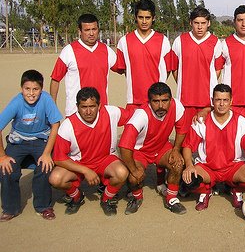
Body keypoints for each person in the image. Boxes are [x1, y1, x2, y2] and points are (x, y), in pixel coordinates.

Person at [49, 87, 130, 216]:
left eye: (92, 106)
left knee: (121, 172)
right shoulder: (67, 125)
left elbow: (134, 119)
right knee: (56, 179)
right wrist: (86, 171)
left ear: (100, 105)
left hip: (105, 159)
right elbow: (58, 158)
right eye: (83, 107)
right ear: (77, 106)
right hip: (79, 163)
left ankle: (106, 199)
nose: (88, 111)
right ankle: (77, 197)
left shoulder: (111, 113)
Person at [181, 84, 245, 211]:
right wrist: (189, 165)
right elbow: (187, 146)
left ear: (231, 101)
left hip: (233, 167)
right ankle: (206, 191)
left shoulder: (241, 122)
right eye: (218, 100)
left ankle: (235, 190)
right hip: (208, 168)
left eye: (225, 100)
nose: (222, 104)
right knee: (188, 179)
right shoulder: (201, 121)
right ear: (212, 101)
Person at [0, 70, 62, 221]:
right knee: (7, 169)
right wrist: (2, 156)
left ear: (41, 89)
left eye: (36, 89)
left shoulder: (46, 100)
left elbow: (55, 124)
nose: (31, 93)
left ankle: (43, 206)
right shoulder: (17, 102)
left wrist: (47, 153)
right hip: (18, 141)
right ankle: (10, 208)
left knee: (44, 166)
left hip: (40, 139)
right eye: (27, 89)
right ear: (21, 89)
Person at [119, 82, 187, 215]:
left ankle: (171, 198)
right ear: (149, 101)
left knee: (178, 163)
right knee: (133, 177)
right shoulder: (140, 115)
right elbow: (124, 147)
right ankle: (136, 197)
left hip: (162, 147)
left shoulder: (176, 105)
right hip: (140, 152)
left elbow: (182, 129)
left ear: (170, 99)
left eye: (164, 100)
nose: (161, 105)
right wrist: (134, 170)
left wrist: (176, 149)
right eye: (156, 101)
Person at [50, 13, 117, 116]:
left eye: (94, 29)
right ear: (79, 31)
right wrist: (52, 106)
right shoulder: (69, 51)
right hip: (75, 113)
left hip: (101, 112)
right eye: (87, 30)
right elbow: (55, 79)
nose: (91, 33)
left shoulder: (107, 50)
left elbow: (123, 68)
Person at [113, 0, 171, 110]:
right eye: (141, 17)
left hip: (157, 102)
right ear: (135, 17)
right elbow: (123, 69)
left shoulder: (163, 41)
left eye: (147, 18)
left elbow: (167, 70)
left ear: (153, 18)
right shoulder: (124, 41)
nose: (144, 21)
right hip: (133, 101)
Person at [170, 6, 223, 124]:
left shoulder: (215, 42)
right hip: (185, 99)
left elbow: (217, 70)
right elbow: (174, 69)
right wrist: (184, 84)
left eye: (203, 23)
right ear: (190, 23)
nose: (200, 27)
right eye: (196, 23)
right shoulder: (180, 40)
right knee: (185, 136)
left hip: (207, 101)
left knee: (205, 136)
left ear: (208, 23)